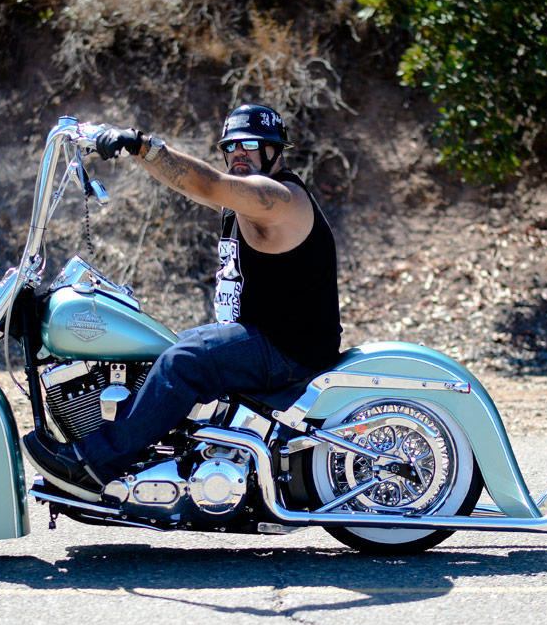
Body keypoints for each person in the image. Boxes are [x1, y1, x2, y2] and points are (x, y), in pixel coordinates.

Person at [23, 104, 343, 499]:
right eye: (230, 146)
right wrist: (134, 154)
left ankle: (94, 466)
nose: (238, 153)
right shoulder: (241, 203)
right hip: (262, 337)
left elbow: (209, 183)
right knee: (161, 348)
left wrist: (140, 144)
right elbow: (189, 183)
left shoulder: (278, 199)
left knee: (185, 360)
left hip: (289, 347)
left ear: (275, 150)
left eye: (250, 145)